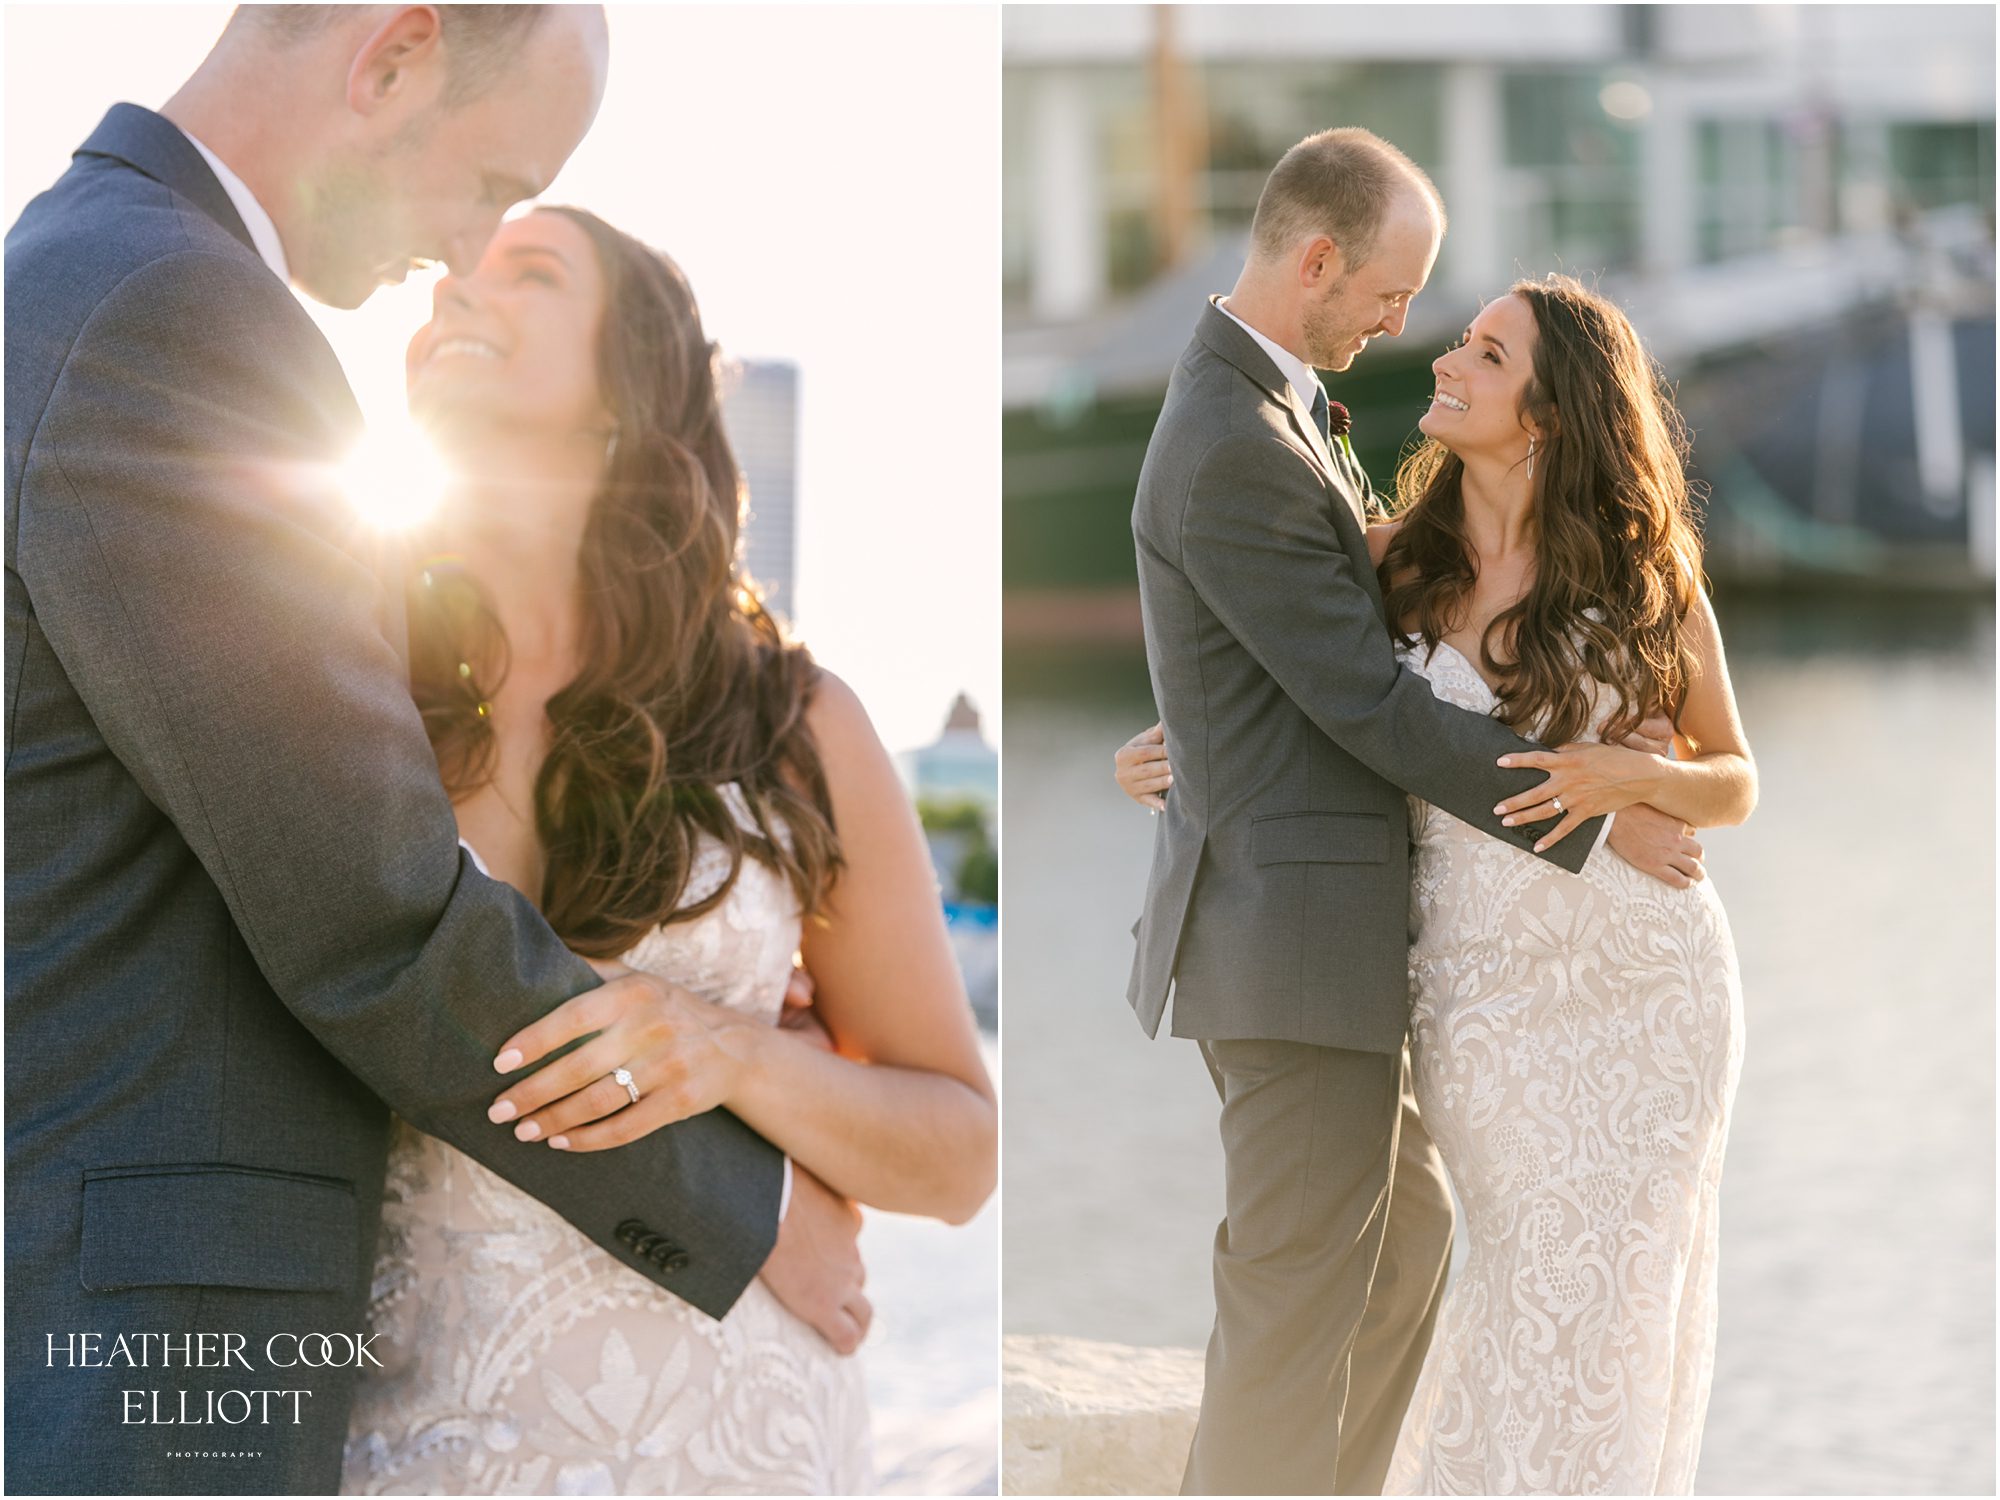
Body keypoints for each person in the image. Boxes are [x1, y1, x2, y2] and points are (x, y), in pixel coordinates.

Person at [4, 10, 858, 1492]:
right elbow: (371, 909)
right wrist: (749, 1202)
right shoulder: (172, 308)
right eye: (490, 184)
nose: (466, 251)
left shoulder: (84, 269)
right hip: (157, 1340)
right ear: (390, 56)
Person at [338, 206, 997, 1495]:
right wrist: (752, 1205)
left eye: (525, 274)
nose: (456, 301)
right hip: (401, 1427)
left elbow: (959, 1150)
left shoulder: (792, 724)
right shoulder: (337, 688)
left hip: (731, 1432)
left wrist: (731, 1052)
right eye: (444, 285)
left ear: (629, 389)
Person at [1110, 127, 1710, 1496]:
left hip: (1325, 938)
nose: (1401, 322)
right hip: (1289, 943)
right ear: (1316, 260)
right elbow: (1366, 708)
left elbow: (1304, 663)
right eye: (1389, 291)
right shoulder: (1231, 440)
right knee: (1290, 1313)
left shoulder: (1276, 414)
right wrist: (1592, 803)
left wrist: (1181, 744)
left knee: (1410, 1245)